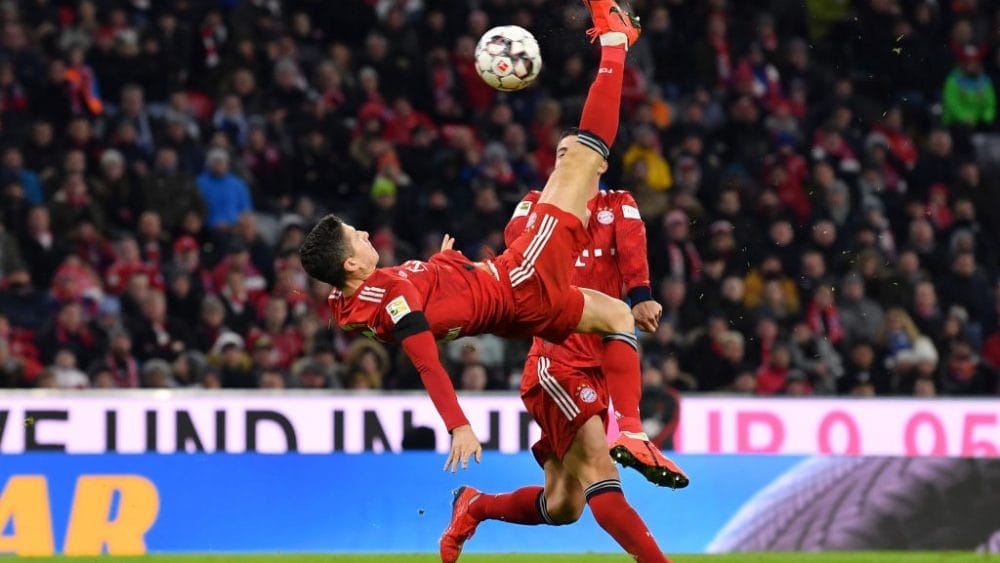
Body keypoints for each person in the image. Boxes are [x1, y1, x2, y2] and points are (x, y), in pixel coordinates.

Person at [299, 4, 677, 562]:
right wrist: (458, 426)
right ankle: (615, 42)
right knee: (581, 157)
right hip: (517, 282)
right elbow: (425, 357)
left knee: (566, 500)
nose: (362, 236)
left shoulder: (353, 292)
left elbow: (413, 300)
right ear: (352, 265)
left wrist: (442, 267)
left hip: (512, 301)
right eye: (355, 238)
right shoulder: (393, 300)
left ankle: (477, 504)